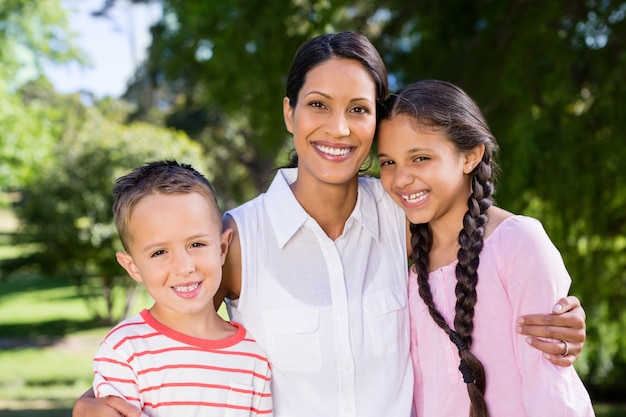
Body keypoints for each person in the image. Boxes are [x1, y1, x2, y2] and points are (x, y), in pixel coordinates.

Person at [73, 32, 587, 417]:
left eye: (359, 109)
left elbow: (486, 238)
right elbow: (167, 331)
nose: (338, 128)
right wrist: (90, 401)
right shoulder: (235, 240)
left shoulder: (402, 213)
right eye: (318, 105)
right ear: (290, 113)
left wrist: (553, 301)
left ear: (376, 124)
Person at [376, 79, 594, 416]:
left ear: (470, 156)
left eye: (420, 157)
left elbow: (550, 388)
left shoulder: (518, 243)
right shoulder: (411, 262)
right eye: (388, 162)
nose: (400, 178)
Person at [91, 160, 272, 417]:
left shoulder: (253, 358)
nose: (184, 267)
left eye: (196, 244)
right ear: (132, 267)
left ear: (222, 248)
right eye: (159, 252)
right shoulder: (124, 351)